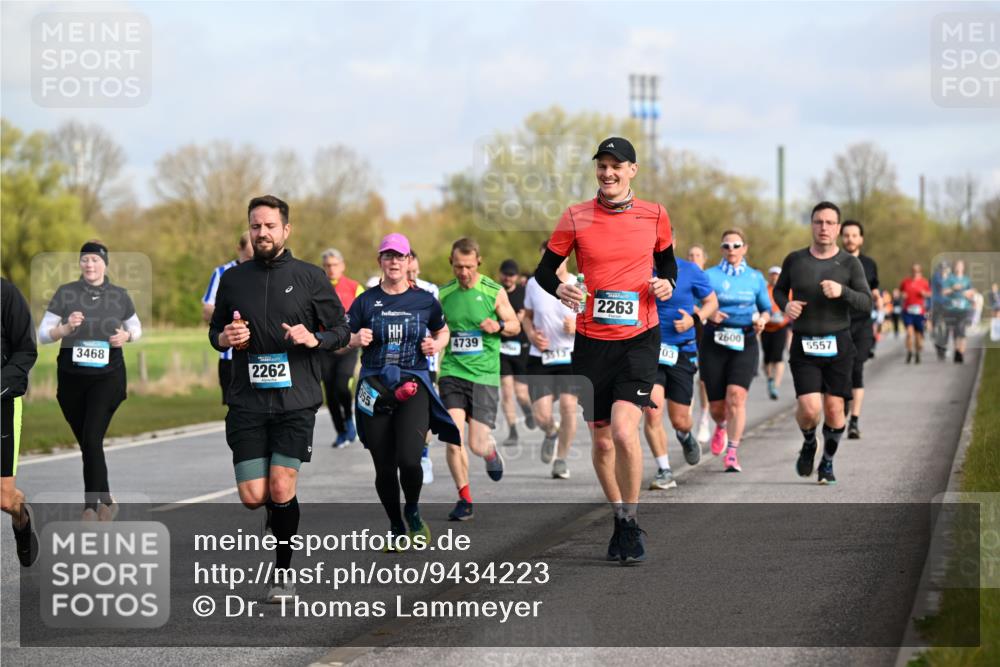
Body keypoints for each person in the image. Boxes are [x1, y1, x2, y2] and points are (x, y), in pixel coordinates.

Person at [534, 137, 676, 565]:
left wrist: (666, 284)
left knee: (623, 432)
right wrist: (560, 288)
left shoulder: (655, 214)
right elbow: (544, 271)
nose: (608, 173)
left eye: (617, 166)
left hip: (639, 339)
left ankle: (631, 520)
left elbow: (667, 264)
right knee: (601, 444)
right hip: (592, 344)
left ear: (632, 170)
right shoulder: (575, 216)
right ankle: (619, 515)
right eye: (602, 166)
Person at [208, 195, 350, 602]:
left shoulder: (310, 277)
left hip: (296, 400)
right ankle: (275, 509)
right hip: (247, 401)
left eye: (270, 226)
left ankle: (283, 573)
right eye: (256, 226)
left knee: (282, 484)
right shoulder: (234, 280)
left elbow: (341, 330)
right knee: (254, 497)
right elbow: (216, 331)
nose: (262, 233)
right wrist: (225, 337)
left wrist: (314, 338)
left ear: (286, 230)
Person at [346, 234, 459, 546]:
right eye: (388, 256)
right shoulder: (365, 301)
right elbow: (341, 338)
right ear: (380, 261)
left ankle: (412, 509)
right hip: (374, 387)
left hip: (413, 384)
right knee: (384, 467)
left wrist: (436, 344)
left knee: (410, 460)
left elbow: (443, 331)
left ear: (409, 261)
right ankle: (396, 526)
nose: (394, 262)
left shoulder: (425, 300)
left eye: (400, 256)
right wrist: (354, 339)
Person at [38, 241, 142, 520]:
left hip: (108, 378)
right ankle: (107, 500)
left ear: (105, 263)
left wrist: (126, 336)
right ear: (80, 263)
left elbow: (136, 328)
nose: (90, 264)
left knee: (92, 438)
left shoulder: (119, 295)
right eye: (85, 259)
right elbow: (43, 335)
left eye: (95, 259)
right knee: (89, 443)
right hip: (71, 381)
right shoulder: (66, 293)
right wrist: (65, 328)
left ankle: (90, 508)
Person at [773, 202, 872, 485]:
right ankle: (809, 442)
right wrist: (786, 305)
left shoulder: (850, 263)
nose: (824, 227)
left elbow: (866, 302)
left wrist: (843, 291)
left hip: (839, 343)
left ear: (838, 228)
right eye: (819, 222)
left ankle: (827, 462)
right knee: (809, 409)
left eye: (830, 223)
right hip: (804, 344)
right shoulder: (795, 260)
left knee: (834, 410)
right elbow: (779, 291)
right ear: (812, 225)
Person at [438, 237, 520, 521]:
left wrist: (499, 325)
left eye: (469, 266)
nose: (464, 272)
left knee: (476, 444)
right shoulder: (443, 294)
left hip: (485, 376)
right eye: (458, 266)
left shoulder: (493, 291)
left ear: (478, 263)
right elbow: (436, 330)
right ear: (451, 263)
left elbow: (515, 325)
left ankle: (489, 452)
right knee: (452, 438)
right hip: (453, 372)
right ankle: (464, 499)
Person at [643, 249, 717, 489]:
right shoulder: (638, 268)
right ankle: (664, 469)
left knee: (680, 420)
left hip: (682, 351)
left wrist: (693, 320)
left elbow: (712, 302)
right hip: (649, 351)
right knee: (652, 411)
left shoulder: (690, 269)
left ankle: (685, 435)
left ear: (670, 243)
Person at [701, 229, 771, 473]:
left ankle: (732, 453)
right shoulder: (709, 276)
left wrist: (762, 320)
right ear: (721, 249)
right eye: (726, 246)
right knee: (718, 407)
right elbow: (695, 304)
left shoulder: (755, 277)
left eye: (736, 245)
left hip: (745, 340)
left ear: (745, 248)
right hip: (714, 341)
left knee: (736, 397)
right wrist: (709, 312)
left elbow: (766, 309)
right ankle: (721, 425)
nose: (731, 250)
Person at [521, 242, 581, 480]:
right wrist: (531, 334)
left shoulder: (579, 284)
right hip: (542, 356)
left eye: (556, 258)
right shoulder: (534, 284)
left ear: (566, 259)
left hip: (570, 355)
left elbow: (592, 318)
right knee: (541, 416)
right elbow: (526, 317)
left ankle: (561, 460)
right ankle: (550, 431)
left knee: (568, 406)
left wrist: (577, 327)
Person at [2, 279, 39, 566]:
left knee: (5, 499)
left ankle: (22, 520)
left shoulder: (6, 293)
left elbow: (26, 350)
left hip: (2, 402)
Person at [840, 220, 881, 439]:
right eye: (846, 235)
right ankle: (844, 400)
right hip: (839, 323)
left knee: (857, 368)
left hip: (863, 323)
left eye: (854, 235)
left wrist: (878, 299)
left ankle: (854, 422)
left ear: (861, 239)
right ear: (841, 238)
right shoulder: (835, 262)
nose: (850, 239)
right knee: (841, 370)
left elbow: (874, 289)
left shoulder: (869, 264)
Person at [321, 248, 365, 448]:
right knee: (330, 392)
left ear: (342, 266)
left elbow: (365, 315)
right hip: (324, 347)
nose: (331, 269)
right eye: (327, 265)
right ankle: (340, 432)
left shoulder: (355, 287)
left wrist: (355, 339)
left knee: (341, 385)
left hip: (348, 345)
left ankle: (348, 420)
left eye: (335, 265)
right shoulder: (317, 287)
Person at [202, 233, 254, 404]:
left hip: (262, 356)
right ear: (239, 248)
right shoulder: (222, 273)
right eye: (251, 245)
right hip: (231, 357)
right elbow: (207, 310)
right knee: (236, 409)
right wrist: (235, 319)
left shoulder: (267, 271)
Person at [407, 250, 440, 484]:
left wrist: (434, 345)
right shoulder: (385, 291)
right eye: (407, 272)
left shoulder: (430, 290)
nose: (411, 276)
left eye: (414, 272)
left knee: (423, 413)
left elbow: (439, 327)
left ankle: (424, 456)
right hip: (397, 361)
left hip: (425, 361)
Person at [497, 259, 536, 447]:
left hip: (521, 348)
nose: (508, 278)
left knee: (521, 394)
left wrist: (524, 318)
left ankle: (528, 411)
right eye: (505, 274)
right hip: (502, 348)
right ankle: (512, 431)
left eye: (511, 275)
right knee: (506, 392)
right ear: (500, 274)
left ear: (517, 276)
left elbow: (533, 316)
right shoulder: (496, 293)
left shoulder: (524, 292)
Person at [686, 244, 713, 443]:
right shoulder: (682, 277)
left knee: (703, 381)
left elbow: (715, 302)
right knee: (687, 377)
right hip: (687, 331)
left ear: (704, 259)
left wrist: (702, 311)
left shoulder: (709, 278)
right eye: (691, 255)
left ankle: (704, 418)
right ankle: (686, 419)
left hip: (707, 332)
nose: (694, 258)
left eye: (698, 255)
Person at [760, 266, 791, 401]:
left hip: (780, 327)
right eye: (772, 275)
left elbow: (792, 307)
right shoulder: (764, 290)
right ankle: (770, 379)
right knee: (767, 359)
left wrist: (785, 316)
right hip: (766, 327)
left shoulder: (787, 291)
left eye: (777, 275)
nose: (774, 277)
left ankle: (775, 387)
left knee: (778, 357)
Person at [941, 259, 976, 363]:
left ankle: (961, 352)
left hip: (964, 308)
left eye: (961, 265)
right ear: (954, 267)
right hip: (952, 309)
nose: (959, 267)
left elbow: (972, 291)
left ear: (963, 267)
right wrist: (953, 288)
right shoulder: (950, 279)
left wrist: (967, 294)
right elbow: (943, 292)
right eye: (957, 265)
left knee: (962, 330)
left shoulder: (966, 279)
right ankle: (957, 350)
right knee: (956, 331)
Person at [900, 263, 932, 364]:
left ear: (920, 272)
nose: (915, 273)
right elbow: (900, 292)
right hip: (908, 311)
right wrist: (902, 295)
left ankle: (917, 352)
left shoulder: (924, 282)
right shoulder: (906, 282)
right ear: (912, 271)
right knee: (909, 333)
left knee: (918, 335)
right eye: (914, 271)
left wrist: (924, 293)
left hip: (919, 312)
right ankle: (910, 351)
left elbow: (930, 294)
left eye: (917, 271)